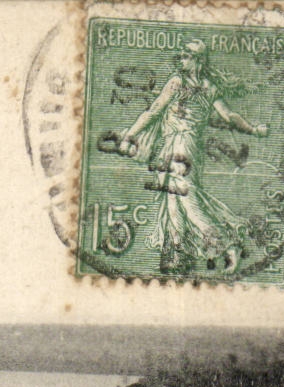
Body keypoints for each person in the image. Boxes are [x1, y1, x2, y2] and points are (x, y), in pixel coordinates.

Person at [114, 39, 269, 275]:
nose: (182, 59)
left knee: (186, 200)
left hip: (182, 147)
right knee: (174, 202)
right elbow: (229, 116)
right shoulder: (207, 86)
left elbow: (155, 111)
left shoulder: (179, 83)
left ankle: (228, 245)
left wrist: (129, 135)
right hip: (176, 147)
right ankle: (177, 254)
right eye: (182, 55)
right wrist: (254, 129)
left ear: (198, 60)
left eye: (187, 56)